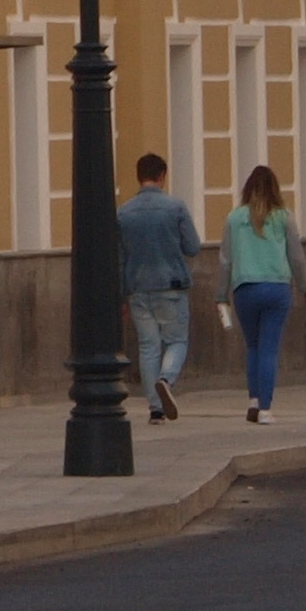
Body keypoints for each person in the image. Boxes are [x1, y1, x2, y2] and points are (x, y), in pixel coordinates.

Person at [118, 153, 202, 423]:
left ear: (138, 176)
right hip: (171, 284)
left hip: (138, 287)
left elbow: (119, 257)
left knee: (147, 346)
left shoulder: (123, 212)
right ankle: (166, 379)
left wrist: (122, 294)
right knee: (176, 339)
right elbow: (192, 247)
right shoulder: (175, 208)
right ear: (163, 175)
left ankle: (155, 409)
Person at [224, 165, 296, 423]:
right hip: (277, 288)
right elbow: (296, 256)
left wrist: (221, 294)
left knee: (253, 346)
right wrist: (305, 285)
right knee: (269, 349)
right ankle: (265, 409)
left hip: (245, 289)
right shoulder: (284, 217)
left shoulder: (234, 218)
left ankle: (253, 400)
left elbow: (226, 260)